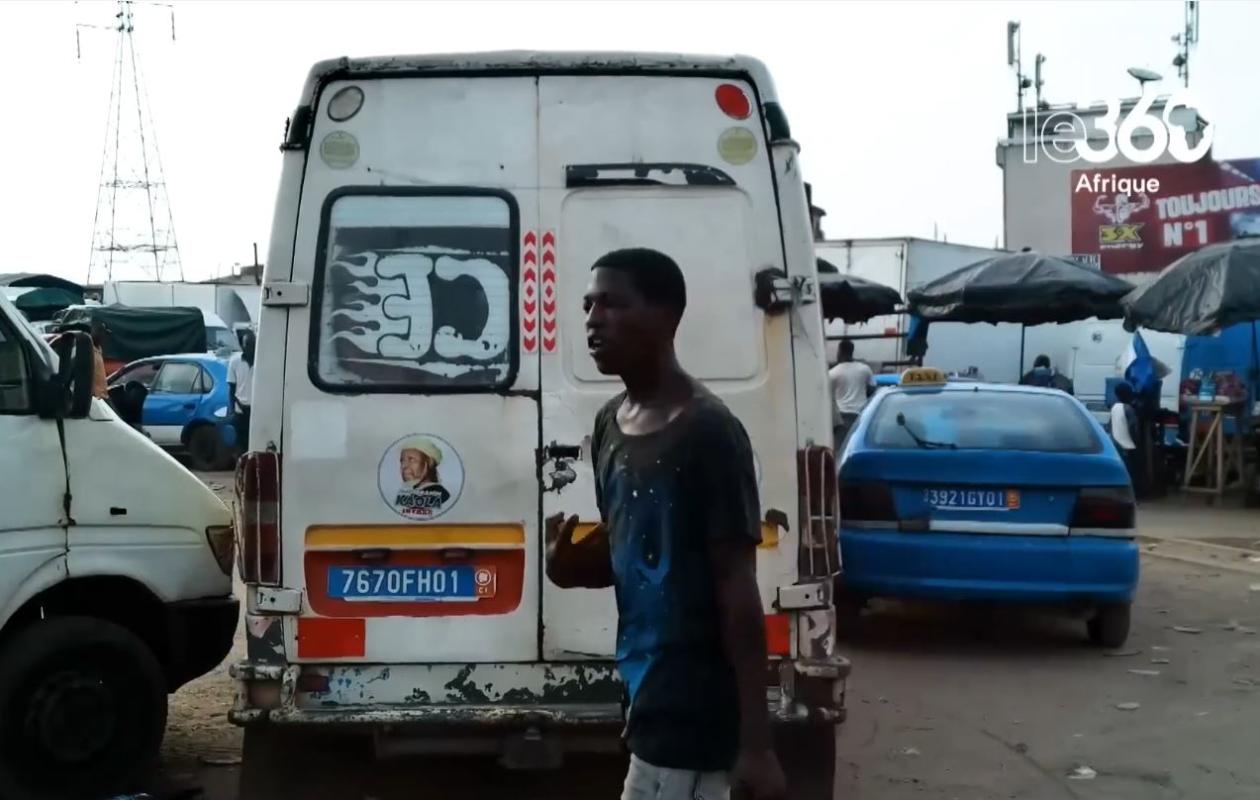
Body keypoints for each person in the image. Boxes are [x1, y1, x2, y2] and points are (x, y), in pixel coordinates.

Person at [547, 247, 785, 800]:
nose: (592, 318)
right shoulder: (610, 423)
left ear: (667, 315)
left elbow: (736, 586)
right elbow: (637, 547)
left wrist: (757, 745)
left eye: (612, 303)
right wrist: (568, 563)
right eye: (588, 304)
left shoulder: (709, 433)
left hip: (701, 716)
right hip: (645, 705)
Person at [828, 338, 874, 451]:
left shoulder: (832, 373)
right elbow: (872, 390)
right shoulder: (864, 369)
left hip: (841, 418)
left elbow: (828, 398)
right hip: (861, 416)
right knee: (858, 448)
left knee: (841, 450)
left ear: (840, 352)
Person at [228, 331, 255, 452]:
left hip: (257, 410)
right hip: (241, 410)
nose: (249, 347)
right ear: (242, 345)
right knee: (240, 444)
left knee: (255, 442)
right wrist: (233, 409)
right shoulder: (234, 362)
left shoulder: (262, 361)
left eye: (252, 344)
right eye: (247, 344)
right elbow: (232, 388)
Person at [1110, 382, 1140, 488]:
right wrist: (1137, 441)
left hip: (1116, 446)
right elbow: (1133, 428)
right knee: (1131, 475)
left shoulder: (1114, 408)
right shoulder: (1129, 409)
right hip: (1129, 447)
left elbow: (1110, 426)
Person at [90, 320, 110, 400]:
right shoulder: (88, 350)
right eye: (102, 333)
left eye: (105, 334)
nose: (104, 337)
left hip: (103, 395)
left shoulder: (99, 349)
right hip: (95, 397)